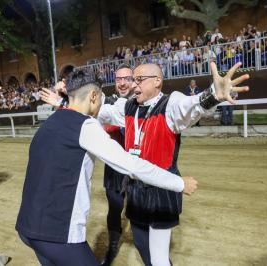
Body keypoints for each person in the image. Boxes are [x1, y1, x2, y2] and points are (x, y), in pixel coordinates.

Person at [40, 62, 249, 265]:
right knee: (141, 245)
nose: (134, 85)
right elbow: (98, 111)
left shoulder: (171, 104)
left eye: (139, 80)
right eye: (133, 80)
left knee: (158, 258)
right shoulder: (127, 106)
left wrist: (213, 94)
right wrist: (64, 104)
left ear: (157, 81)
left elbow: (191, 107)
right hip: (136, 190)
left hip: (162, 191)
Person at [16, 70, 197, 266]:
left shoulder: (49, 123)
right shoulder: (85, 126)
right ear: (93, 96)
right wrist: (179, 183)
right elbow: (132, 165)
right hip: (58, 234)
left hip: (27, 227)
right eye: (102, 99)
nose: (102, 107)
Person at [100, 64, 134, 266]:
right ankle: (112, 246)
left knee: (140, 207)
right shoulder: (110, 102)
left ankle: (147, 246)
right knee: (115, 207)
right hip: (114, 164)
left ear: (134, 80)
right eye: (118, 79)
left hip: (139, 163)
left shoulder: (141, 101)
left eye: (126, 78)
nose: (122, 83)